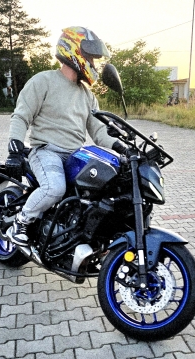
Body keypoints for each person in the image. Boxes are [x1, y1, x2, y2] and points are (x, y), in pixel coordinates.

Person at [6, 26, 120, 247]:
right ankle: (20, 222)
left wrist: (123, 148)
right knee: (54, 188)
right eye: (90, 58)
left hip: (75, 155)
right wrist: (15, 148)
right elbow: (21, 116)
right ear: (74, 50)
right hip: (46, 151)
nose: (93, 64)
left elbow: (99, 132)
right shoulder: (44, 81)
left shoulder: (88, 96)